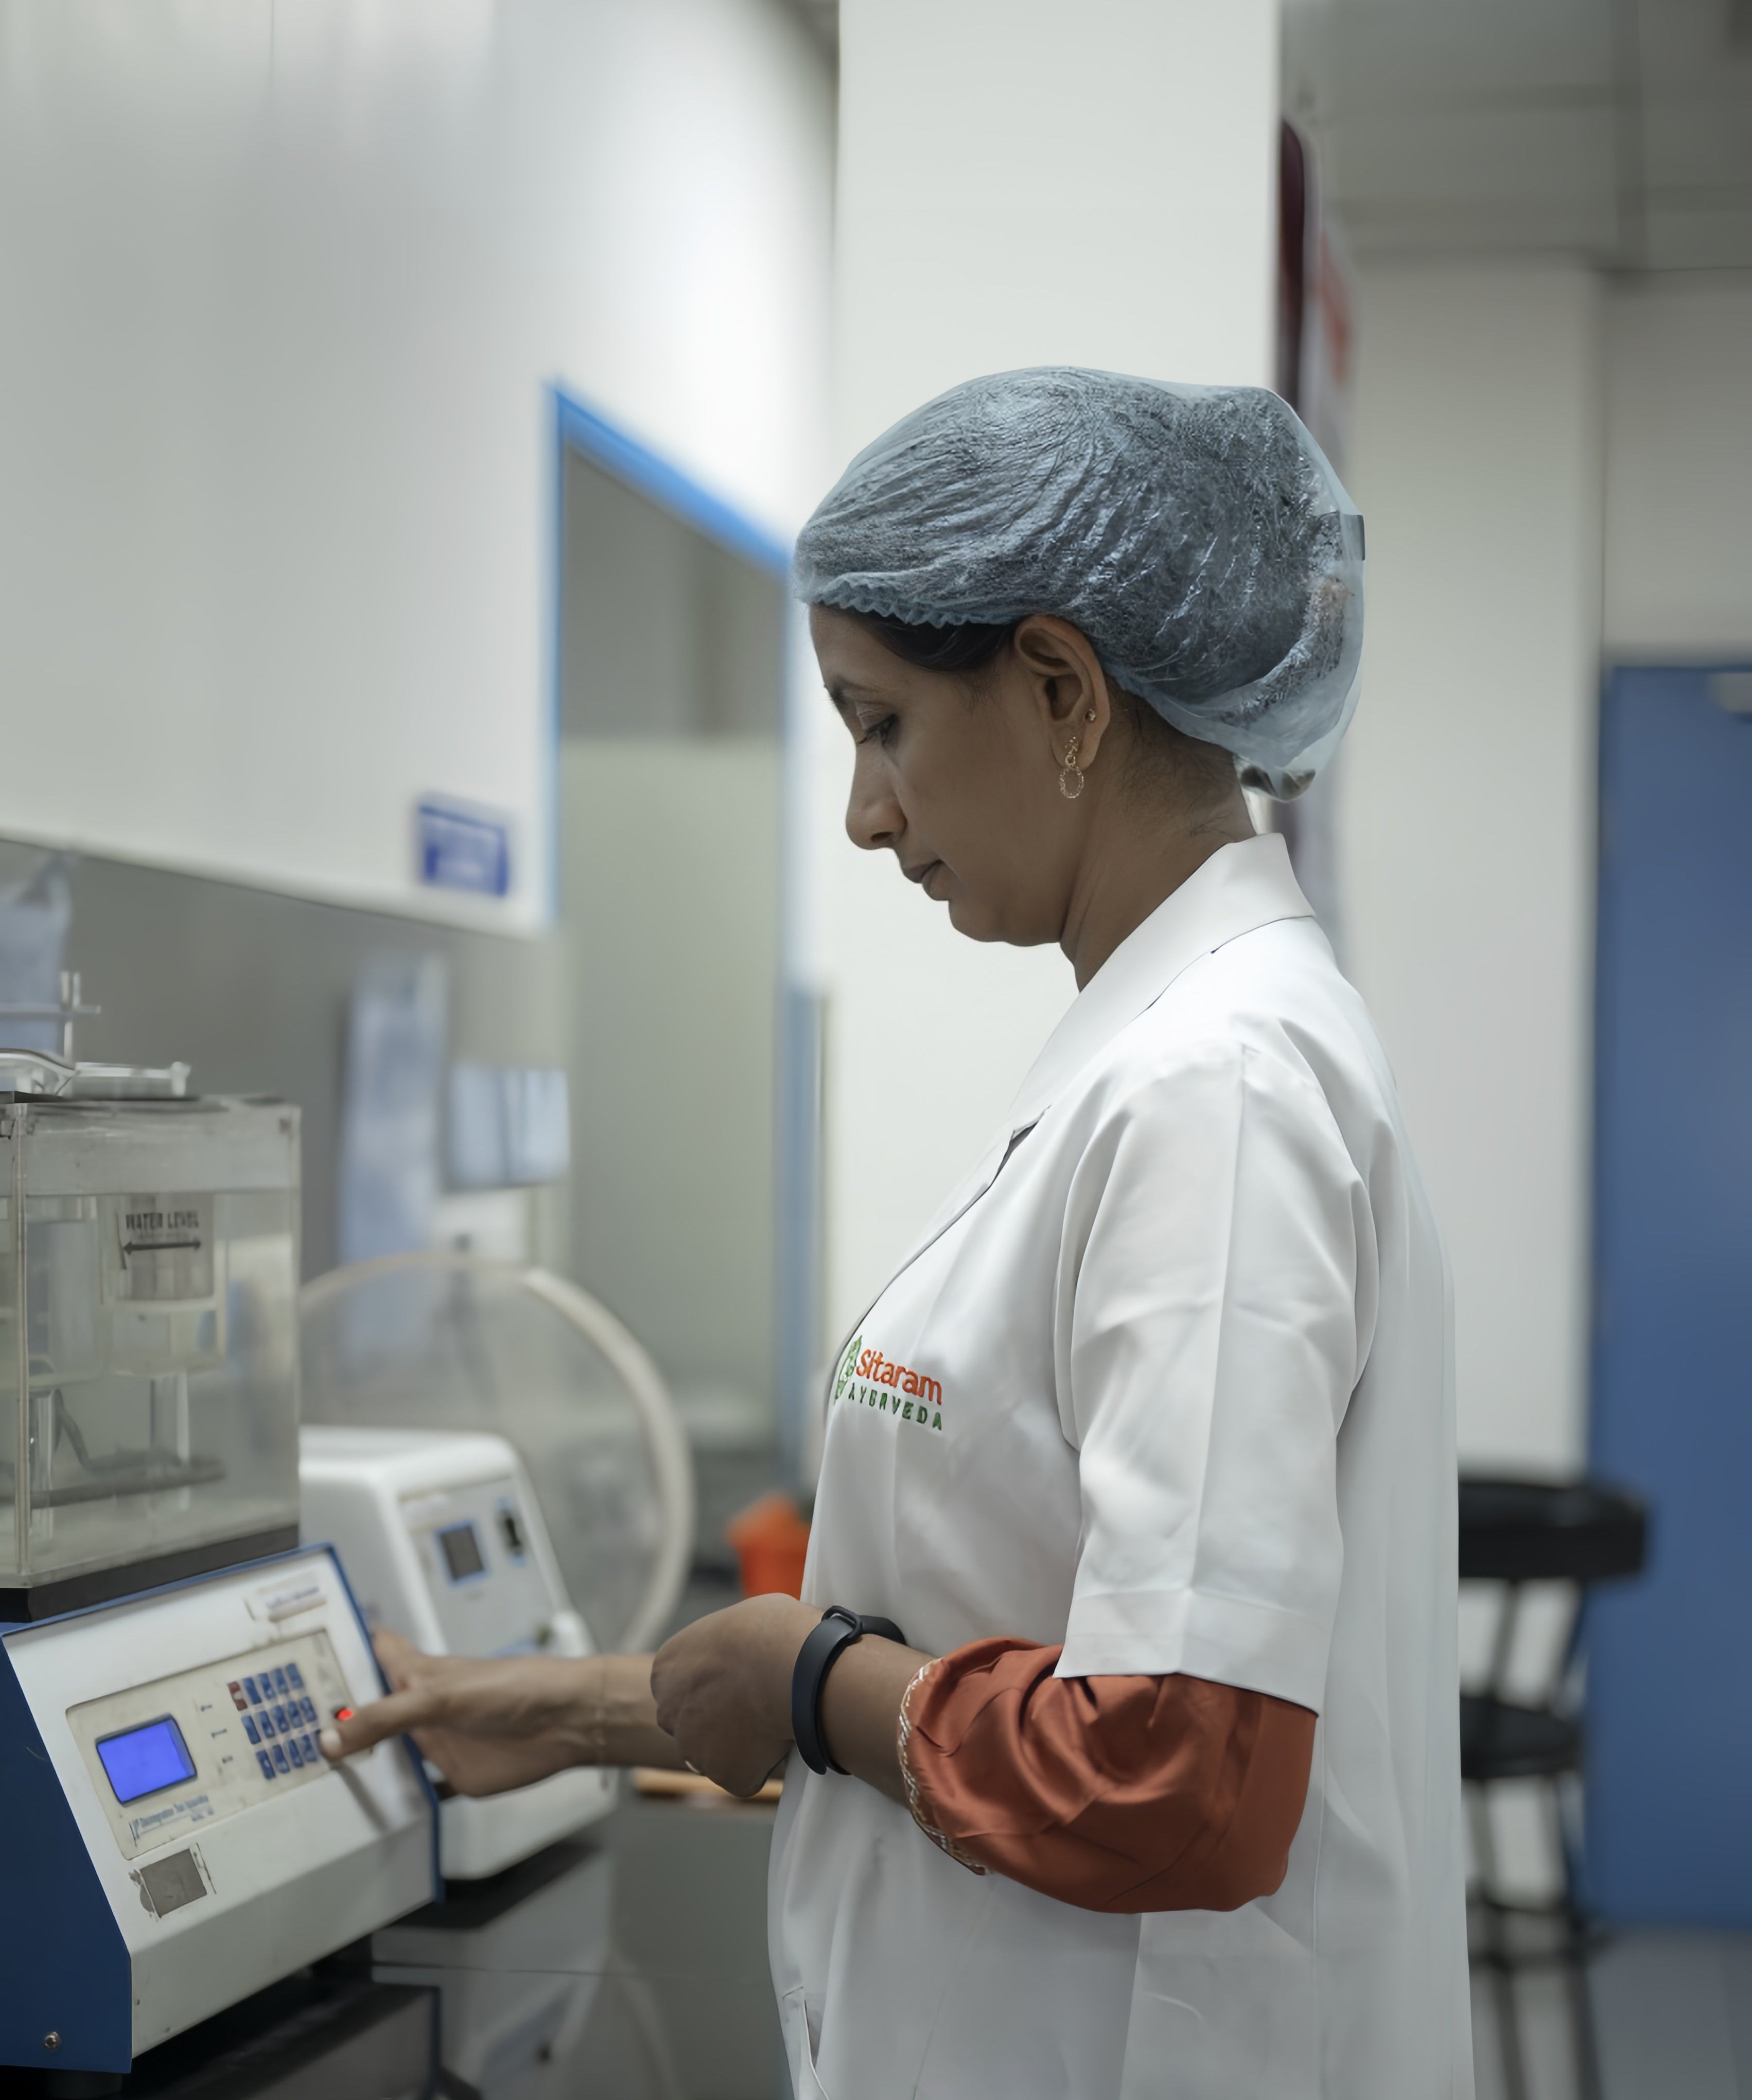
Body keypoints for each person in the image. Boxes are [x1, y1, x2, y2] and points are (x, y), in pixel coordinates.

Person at [322, 369, 1471, 2100]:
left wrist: (810, 1680)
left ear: (1062, 690)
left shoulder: (1214, 1089)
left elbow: (1177, 1770)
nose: (866, 814)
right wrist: (573, 1710)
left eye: (881, 727)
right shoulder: (1143, 1064)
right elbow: (990, 1622)